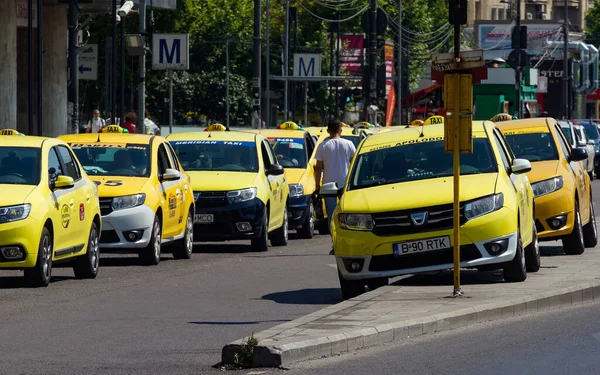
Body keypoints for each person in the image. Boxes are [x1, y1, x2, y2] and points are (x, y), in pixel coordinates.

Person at [314, 119, 357, 255]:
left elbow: (318, 167)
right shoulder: (349, 144)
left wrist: (317, 186)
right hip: (346, 184)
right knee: (347, 214)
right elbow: (354, 164)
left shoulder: (323, 146)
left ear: (328, 131)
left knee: (332, 216)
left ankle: (335, 244)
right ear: (341, 130)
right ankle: (350, 244)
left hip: (328, 185)